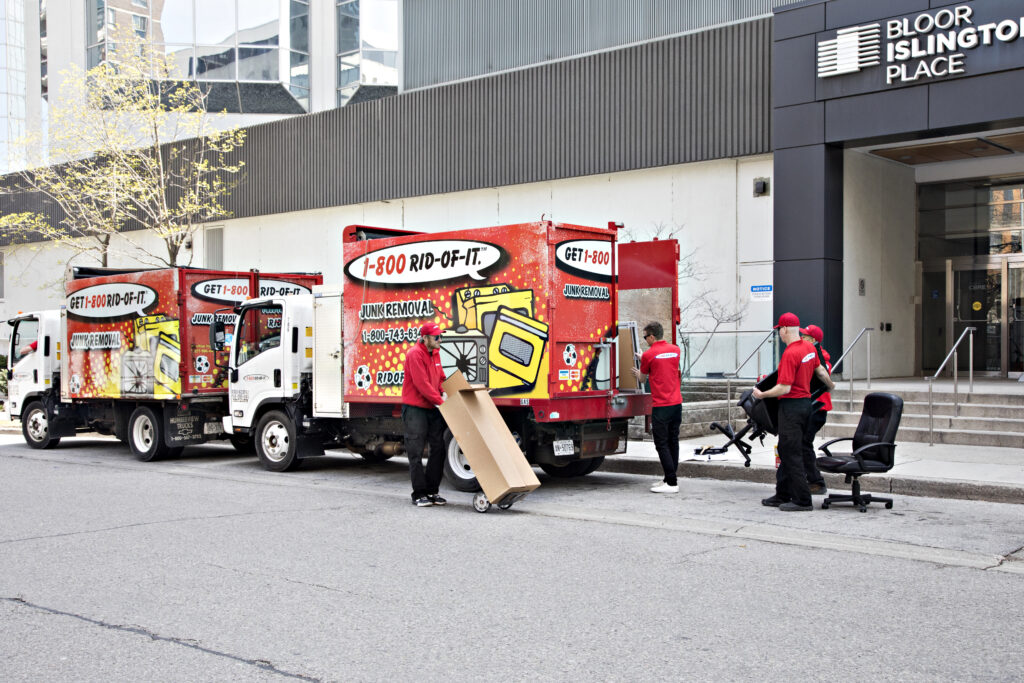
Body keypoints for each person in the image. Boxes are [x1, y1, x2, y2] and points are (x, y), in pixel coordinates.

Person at [753, 312, 835, 511]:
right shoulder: (809, 347)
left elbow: (784, 388)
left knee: (791, 454)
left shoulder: (790, 353)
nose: (779, 335)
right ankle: (782, 494)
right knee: (786, 450)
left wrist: (761, 394)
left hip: (791, 407)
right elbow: (821, 371)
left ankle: (802, 500)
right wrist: (830, 386)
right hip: (805, 405)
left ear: (784, 329)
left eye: (779, 330)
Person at [631, 321, 683, 493]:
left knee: (661, 444)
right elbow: (663, 364)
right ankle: (669, 478)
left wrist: (637, 370)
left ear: (652, 336)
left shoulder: (648, 355)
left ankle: (672, 483)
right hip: (677, 404)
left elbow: (642, 379)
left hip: (661, 406)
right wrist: (644, 358)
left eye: (645, 337)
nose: (645, 340)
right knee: (673, 441)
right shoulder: (675, 350)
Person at [401, 322, 449, 507]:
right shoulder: (415, 354)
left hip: (433, 407)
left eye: (440, 336)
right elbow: (422, 385)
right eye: (436, 337)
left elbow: (441, 378)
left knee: (438, 448)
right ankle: (419, 493)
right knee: (416, 451)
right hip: (415, 408)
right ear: (426, 338)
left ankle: (432, 491)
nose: (440, 340)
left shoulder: (435, 353)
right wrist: (441, 401)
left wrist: (445, 392)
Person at [800, 324, 832, 495]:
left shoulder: (822, 361)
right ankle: (808, 478)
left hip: (817, 409)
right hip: (808, 407)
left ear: (813, 341)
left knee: (804, 443)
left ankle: (816, 482)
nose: (801, 338)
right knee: (801, 443)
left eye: (804, 336)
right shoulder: (808, 356)